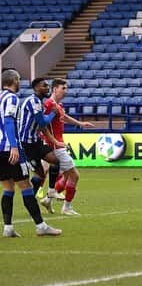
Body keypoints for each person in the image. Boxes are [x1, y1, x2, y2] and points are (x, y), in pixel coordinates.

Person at [0, 69, 61, 237]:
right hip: (10, 149)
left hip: (0, 149)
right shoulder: (12, 98)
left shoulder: (0, 97)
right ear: (13, 80)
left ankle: (8, 228)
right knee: (25, 186)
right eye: (19, 79)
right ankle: (41, 226)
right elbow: (8, 121)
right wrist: (13, 146)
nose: (20, 82)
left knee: (8, 188)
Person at [40, 79, 95, 216]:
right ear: (55, 89)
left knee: (66, 177)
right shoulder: (48, 104)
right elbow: (42, 124)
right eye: (63, 88)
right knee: (74, 175)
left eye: (66, 88)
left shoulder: (58, 105)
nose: (66, 91)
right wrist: (52, 141)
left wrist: (80, 123)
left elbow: (64, 117)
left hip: (58, 144)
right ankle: (66, 207)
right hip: (55, 146)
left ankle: (48, 199)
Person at [17, 78, 63, 214]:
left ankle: (52, 191)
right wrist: (54, 112)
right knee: (39, 173)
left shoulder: (38, 102)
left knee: (55, 161)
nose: (47, 88)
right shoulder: (33, 101)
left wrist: (54, 141)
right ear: (36, 87)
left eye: (48, 85)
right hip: (26, 144)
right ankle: (30, 200)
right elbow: (42, 123)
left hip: (35, 141)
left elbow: (41, 126)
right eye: (45, 86)